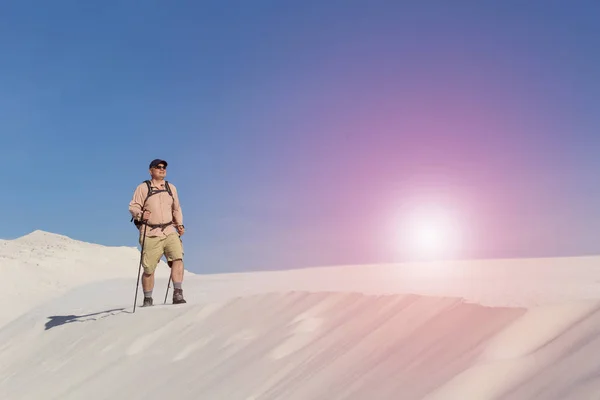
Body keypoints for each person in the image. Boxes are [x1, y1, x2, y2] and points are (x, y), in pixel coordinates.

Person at [129, 159, 187, 306]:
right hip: (150, 232)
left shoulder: (171, 188)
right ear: (151, 170)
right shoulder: (143, 188)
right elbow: (133, 206)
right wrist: (141, 215)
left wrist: (179, 224)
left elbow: (176, 208)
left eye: (164, 167)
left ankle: (178, 293)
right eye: (158, 167)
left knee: (178, 258)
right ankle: (148, 298)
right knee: (149, 269)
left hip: (169, 230)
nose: (162, 169)